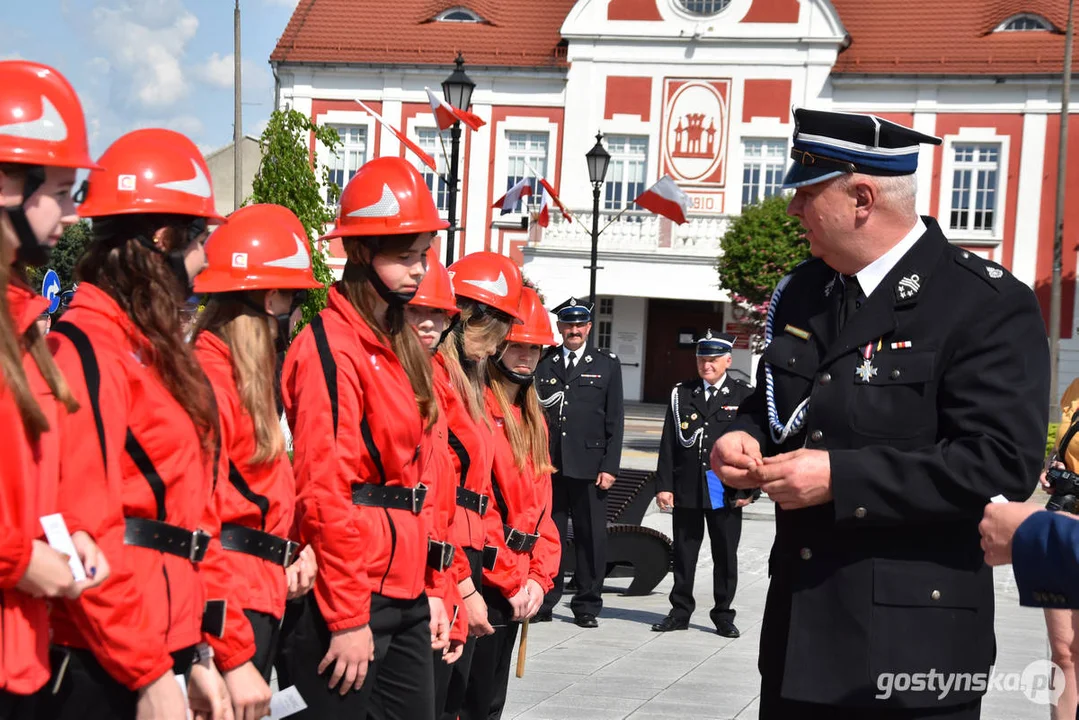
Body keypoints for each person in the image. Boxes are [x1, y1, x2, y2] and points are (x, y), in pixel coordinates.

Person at [710, 108, 1049, 719]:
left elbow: (1001, 463)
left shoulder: (983, 303)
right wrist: (739, 433)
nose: (791, 211)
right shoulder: (808, 289)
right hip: (799, 636)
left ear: (861, 197)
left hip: (910, 648)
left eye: (807, 194)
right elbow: (776, 400)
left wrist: (842, 478)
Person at [41, 127, 233, 720]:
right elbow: (79, 527)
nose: (205, 260)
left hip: (156, 639)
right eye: (199, 238)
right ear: (163, 238)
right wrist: (149, 673)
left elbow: (182, 513)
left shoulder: (142, 349)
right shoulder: (85, 348)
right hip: (102, 661)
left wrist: (196, 653)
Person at [279, 156, 444, 720]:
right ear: (360, 253)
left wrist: (435, 585)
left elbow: (422, 477)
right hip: (351, 592)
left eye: (422, 254)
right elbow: (324, 489)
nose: (419, 270)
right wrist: (348, 615)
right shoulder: (330, 347)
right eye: (404, 256)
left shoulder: (400, 347)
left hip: (405, 591)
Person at [0, 59, 110, 720]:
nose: (73, 215)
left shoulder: (24, 323)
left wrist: (68, 536)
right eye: (63, 192)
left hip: (23, 652)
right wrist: (18, 559)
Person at [191, 203, 323, 719]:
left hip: (261, 589)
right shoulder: (207, 380)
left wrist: (296, 548)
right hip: (233, 602)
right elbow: (200, 524)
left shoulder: (239, 377)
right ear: (271, 298)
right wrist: (231, 648)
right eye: (292, 296)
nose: (294, 313)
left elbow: (258, 494)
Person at [460, 286, 561, 720]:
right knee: (468, 705)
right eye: (518, 346)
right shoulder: (478, 409)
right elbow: (478, 507)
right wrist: (508, 579)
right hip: (488, 579)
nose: (526, 357)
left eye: (535, 349)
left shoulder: (532, 416)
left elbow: (542, 513)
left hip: (519, 583)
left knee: (490, 705)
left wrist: (541, 578)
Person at [433, 251, 524, 720]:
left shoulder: (466, 382)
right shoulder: (437, 379)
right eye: (495, 336)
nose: (497, 349)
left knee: (459, 696)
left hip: (466, 550)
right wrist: (459, 584)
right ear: (469, 320)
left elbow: (480, 493)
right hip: (445, 556)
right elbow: (437, 493)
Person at [652, 330, 755, 638]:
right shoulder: (682, 393)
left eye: (712, 360)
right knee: (684, 552)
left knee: (725, 552)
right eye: (701, 359)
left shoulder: (744, 395)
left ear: (727, 360)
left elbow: (753, 446)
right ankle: (680, 610)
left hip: (722, 484)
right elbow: (669, 442)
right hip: (687, 485)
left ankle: (723, 614)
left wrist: (750, 489)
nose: (706, 366)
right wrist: (664, 485)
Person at [535, 297, 624, 627]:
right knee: (550, 534)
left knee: (590, 538)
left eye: (580, 324)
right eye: (568, 324)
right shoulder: (545, 362)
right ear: (559, 327)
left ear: (589, 327)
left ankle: (587, 605)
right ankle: (546, 597)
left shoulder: (606, 363)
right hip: (551, 464)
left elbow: (615, 418)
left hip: (590, 465)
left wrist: (610, 466)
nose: (574, 330)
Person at [402, 248, 469, 673]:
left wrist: (448, 593)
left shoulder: (438, 386)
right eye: (417, 311)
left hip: (433, 577)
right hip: (398, 579)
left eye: (439, 314)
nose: (430, 323)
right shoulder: (396, 385)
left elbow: (442, 509)